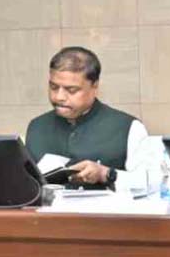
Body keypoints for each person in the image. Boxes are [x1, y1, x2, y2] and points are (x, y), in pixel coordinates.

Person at [25, 46, 156, 194]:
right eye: (54, 87)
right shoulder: (36, 127)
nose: (59, 97)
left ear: (95, 86)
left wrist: (105, 174)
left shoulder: (128, 127)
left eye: (71, 90)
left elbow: (151, 184)